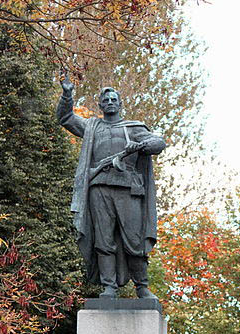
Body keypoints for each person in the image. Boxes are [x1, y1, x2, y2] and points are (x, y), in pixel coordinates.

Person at [57, 75, 166, 299]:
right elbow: (66, 117)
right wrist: (67, 95)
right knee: (103, 239)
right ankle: (109, 287)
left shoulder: (133, 128)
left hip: (128, 189)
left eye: (113, 99)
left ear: (120, 103)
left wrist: (142, 145)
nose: (109, 102)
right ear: (100, 105)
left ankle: (142, 287)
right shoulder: (92, 126)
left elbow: (159, 143)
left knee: (134, 240)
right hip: (99, 188)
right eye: (105, 100)